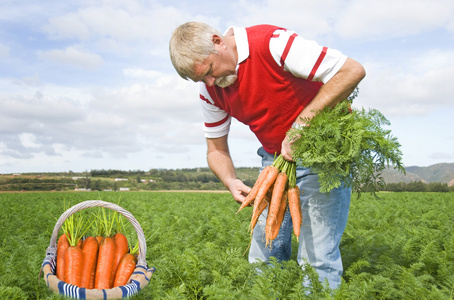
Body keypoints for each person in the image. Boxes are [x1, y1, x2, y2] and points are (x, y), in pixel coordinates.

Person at [169, 21, 366, 289]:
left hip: (325, 154)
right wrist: (230, 180)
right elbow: (215, 149)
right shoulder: (209, 90)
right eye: (201, 79)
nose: (210, 82)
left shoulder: (272, 44)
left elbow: (351, 70)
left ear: (218, 41)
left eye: (210, 71)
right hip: (275, 160)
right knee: (264, 252)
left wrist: (302, 126)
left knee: (317, 257)